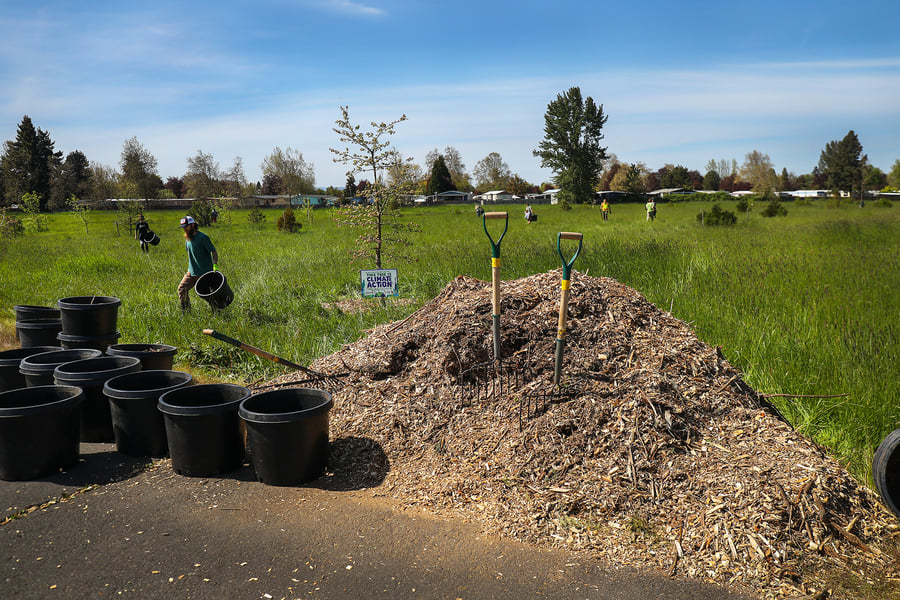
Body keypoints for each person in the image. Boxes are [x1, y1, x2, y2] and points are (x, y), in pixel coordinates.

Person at [177, 215, 219, 313]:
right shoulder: (187, 239)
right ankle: (186, 312)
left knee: (209, 294)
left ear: (192, 225)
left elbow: (214, 252)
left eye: (186, 227)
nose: (184, 230)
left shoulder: (203, 238)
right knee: (182, 289)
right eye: (183, 228)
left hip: (205, 272)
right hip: (191, 272)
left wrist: (214, 265)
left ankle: (216, 313)